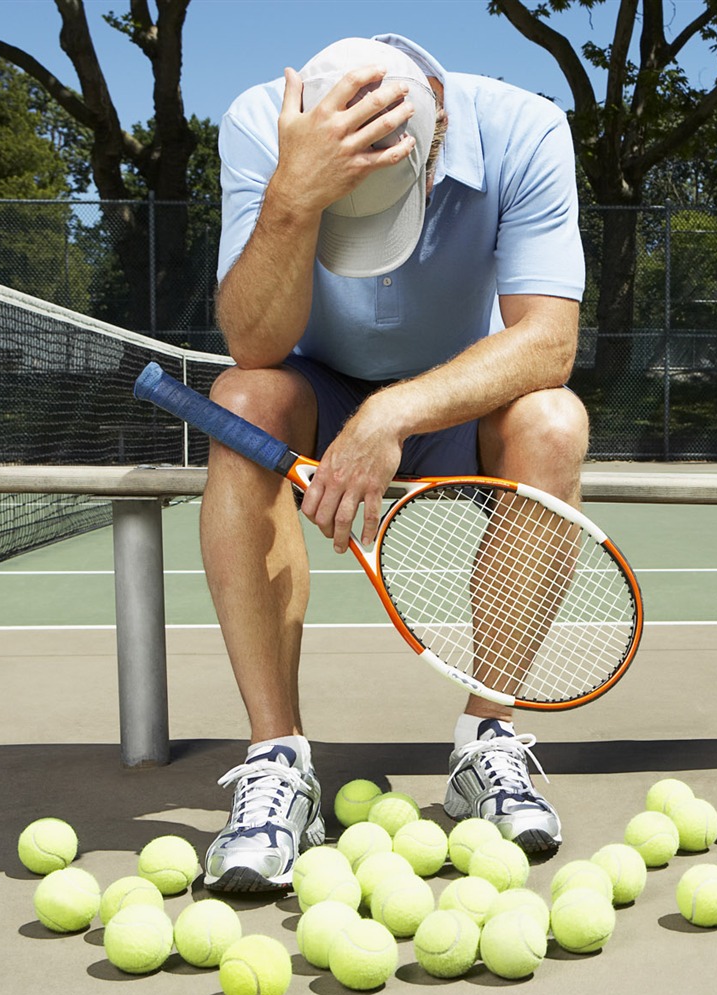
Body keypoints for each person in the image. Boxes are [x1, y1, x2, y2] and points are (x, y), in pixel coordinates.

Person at [203, 33, 587, 893]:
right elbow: (254, 342)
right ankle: (277, 759)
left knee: (556, 422)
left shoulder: (526, 128)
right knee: (242, 402)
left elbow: (550, 341)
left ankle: (486, 741)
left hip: (456, 394)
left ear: (438, 127)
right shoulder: (259, 121)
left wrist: (394, 412)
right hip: (313, 391)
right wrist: (295, 197)